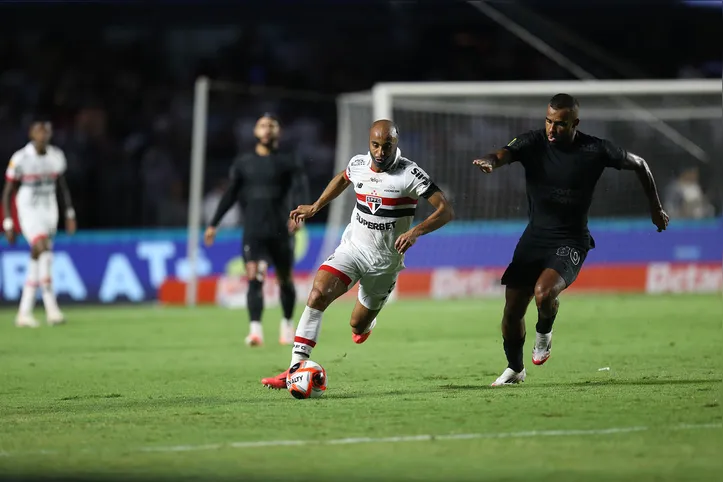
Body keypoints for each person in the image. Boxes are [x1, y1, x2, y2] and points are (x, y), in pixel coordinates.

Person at [472, 94, 669, 387]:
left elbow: (640, 164)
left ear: (575, 123)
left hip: (571, 239)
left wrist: (655, 206)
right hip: (534, 238)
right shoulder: (532, 142)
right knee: (512, 309)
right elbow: (503, 154)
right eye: (549, 121)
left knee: (543, 292)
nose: (552, 129)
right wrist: (489, 161)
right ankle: (515, 369)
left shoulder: (595, 149)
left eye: (560, 124)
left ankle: (544, 334)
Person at [261, 120, 454, 389]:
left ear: (395, 144)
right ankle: (295, 367)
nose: (380, 152)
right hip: (352, 250)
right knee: (317, 294)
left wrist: (415, 232)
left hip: (384, 262)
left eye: (386, 146)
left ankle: (367, 322)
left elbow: (446, 210)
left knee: (357, 325)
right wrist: (316, 206)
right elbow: (343, 178)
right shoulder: (359, 164)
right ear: (369, 143)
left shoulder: (410, 174)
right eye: (375, 145)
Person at [204, 114, 310, 347]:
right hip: (254, 231)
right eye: (262, 125)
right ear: (255, 132)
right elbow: (230, 193)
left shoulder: (288, 161)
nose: (267, 129)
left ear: (278, 132)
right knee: (255, 278)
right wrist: (214, 224)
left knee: (285, 280)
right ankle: (255, 331)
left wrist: (301, 213)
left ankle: (287, 324)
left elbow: (300, 188)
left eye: (272, 125)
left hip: (281, 230)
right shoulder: (244, 163)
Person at [3, 120, 76, 327]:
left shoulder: (56, 157)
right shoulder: (21, 159)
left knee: (38, 257)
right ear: (31, 135)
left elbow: (62, 187)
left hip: (49, 210)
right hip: (28, 209)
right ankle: (51, 308)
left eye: (46, 132)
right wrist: (8, 223)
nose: (42, 136)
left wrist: (70, 213)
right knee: (42, 248)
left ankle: (24, 312)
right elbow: (7, 192)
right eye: (38, 132)